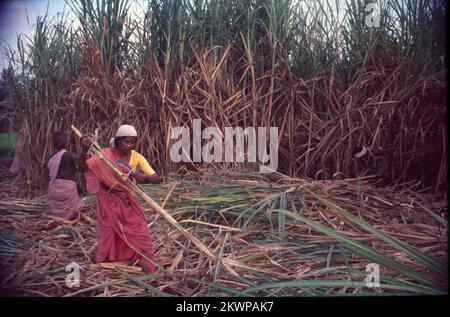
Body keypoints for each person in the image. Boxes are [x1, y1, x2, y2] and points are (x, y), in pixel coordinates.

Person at [79, 124, 161, 273]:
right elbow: (83, 168)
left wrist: (145, 178)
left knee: (141, 232)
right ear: (117, 141)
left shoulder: (137, 157)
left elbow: (157, 178)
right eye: (126, 142)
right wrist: (85, 150)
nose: (130, 145)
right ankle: (109, 262)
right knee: (109, 232)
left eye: (133, 142)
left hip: (128, 201)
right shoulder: (105, 155)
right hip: (107, 200)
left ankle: (142, 261)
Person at [45, 131, 84, 220]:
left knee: (77, 187)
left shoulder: (50, 158)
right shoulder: (69, 155)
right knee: (79, 189)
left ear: (53, 143)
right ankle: (71, 216)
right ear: (66, 142)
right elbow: (83, 165)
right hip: (68, 192)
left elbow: (47, 178)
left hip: (54, 193)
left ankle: (59, 216)